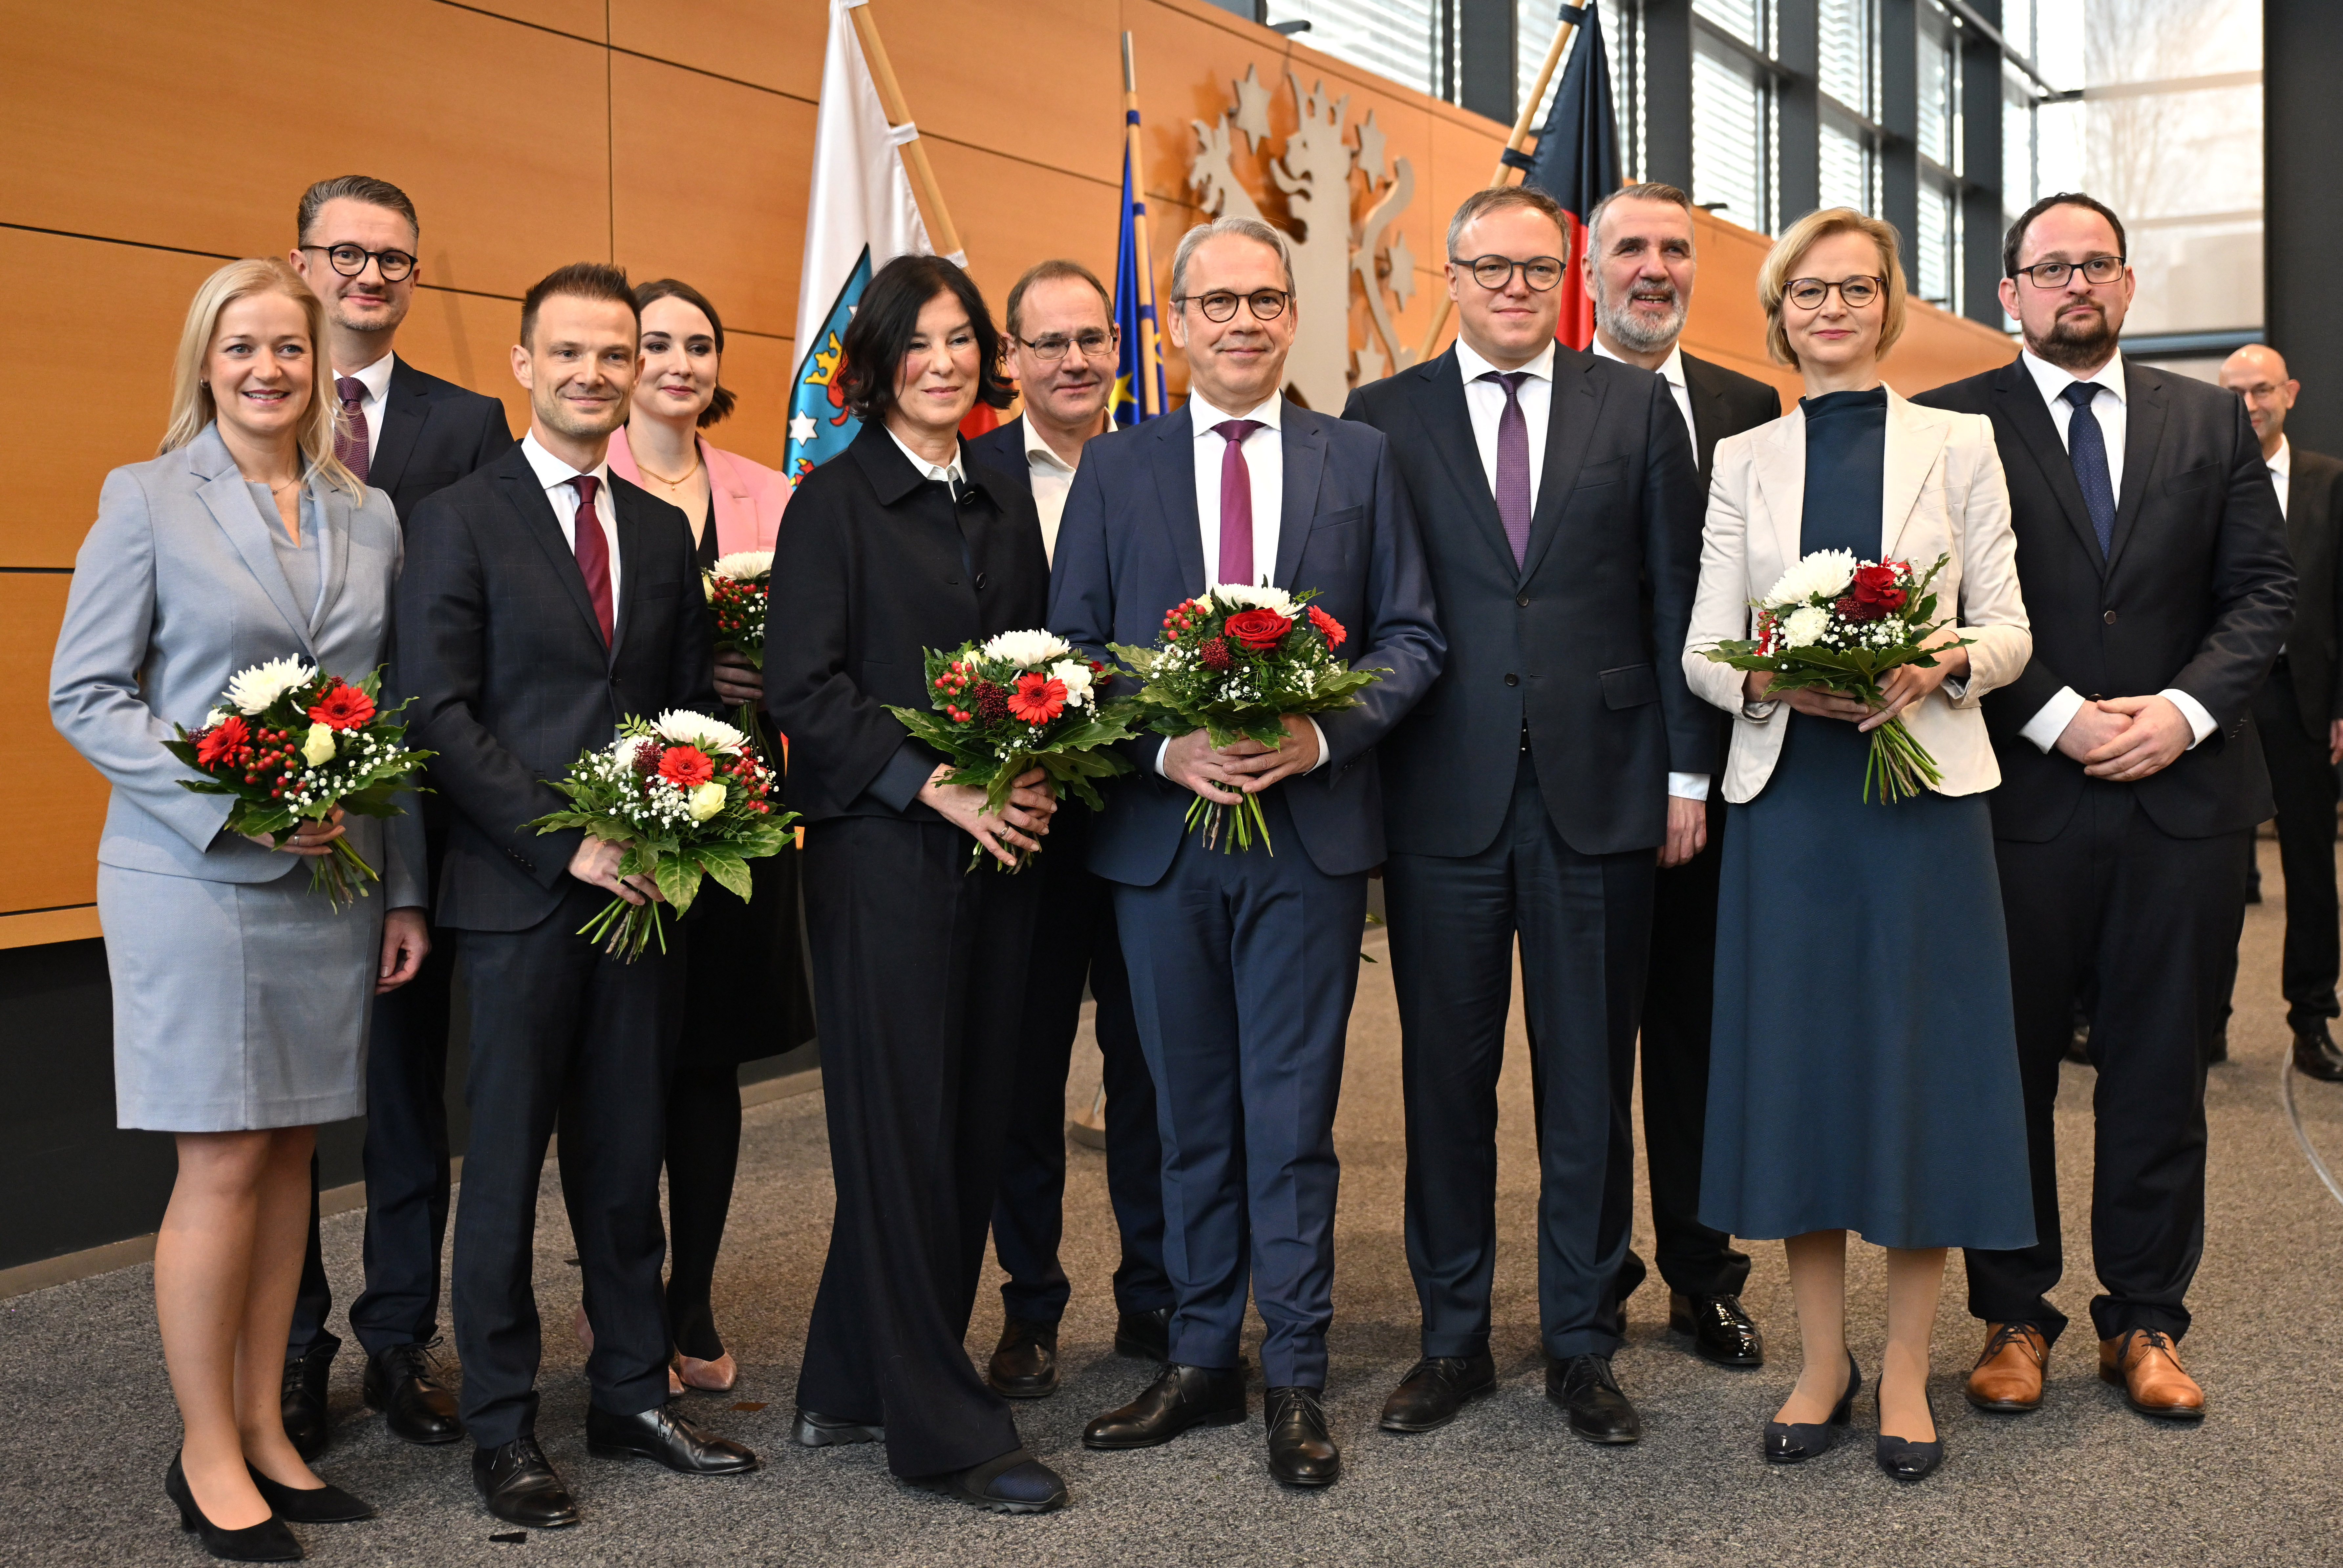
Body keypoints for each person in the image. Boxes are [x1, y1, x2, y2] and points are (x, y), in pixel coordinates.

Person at [49, 256, 429, 1558]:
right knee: (218, 1159)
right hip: (192, 878)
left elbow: (384, 717)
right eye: (243, 346)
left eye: (291, 347)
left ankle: (271, 1429)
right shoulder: (146, 497)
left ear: (323, 366)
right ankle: (206, 1447)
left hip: (334, 883)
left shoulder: (366, 512)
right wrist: (236, 801)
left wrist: (404, 887)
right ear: (205, 363)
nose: (270, 367)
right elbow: (87, 692)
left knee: (290, 1159)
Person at [1057, 215, 1444, 1487]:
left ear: (1294, 319)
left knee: (1291, 1117)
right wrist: (1165, 753)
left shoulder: (1362, 459)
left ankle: (1296, 1375)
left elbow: (1410, 639)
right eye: (1214, 303)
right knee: (1184, 1114)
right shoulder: (1117, 469)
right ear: (1173, 325)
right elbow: (1075, 656)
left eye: (1265, 300)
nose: (1240, 322)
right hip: (1162, 841)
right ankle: (1200, 1355)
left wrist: (1317, 734)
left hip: (1307, 841)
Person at [1915, 194, 2293, 1423]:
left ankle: (2146, 1318)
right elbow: (1939, 599)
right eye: (2049, 267)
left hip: (2180, 798)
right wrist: (2053, 713)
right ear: (2008, 291)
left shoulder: (2208, 421)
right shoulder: (1954, 423)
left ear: (2128, 287)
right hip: (2016, 793)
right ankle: (2014, 1314)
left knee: (2158, 1068)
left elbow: (2263, 595)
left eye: (2097, 265)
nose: (2075, 284)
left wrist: (2180, 713)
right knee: (2005, 1069)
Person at [1340, 185, 1705, 1444]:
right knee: (1447, 1082)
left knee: (1588, 1089)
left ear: (1567, 279)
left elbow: (1673, 600)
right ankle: (1452, 1342)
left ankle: (1582, 1341)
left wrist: (1685, 776)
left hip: (1603, 795)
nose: (1511, 286)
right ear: (1448, 275)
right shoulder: (1381, 419)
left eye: (1535, 268)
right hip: (1442, 797)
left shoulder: (1636, 407)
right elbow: (1373, 609)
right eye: (1487, 265)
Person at [395, 262, 754, 1529]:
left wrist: (690, 812)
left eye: (619, 353)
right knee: (501, 1171)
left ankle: (626, 1390)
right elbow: (436, 709)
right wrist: (567, 847)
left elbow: (686, 704)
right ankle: (501, 1426)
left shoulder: (660, 529)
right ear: (523, 364)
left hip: (644, 898)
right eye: (573, 354)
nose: (597, 374)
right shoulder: (458, 515)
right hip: (516, 898)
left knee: (622, 1160)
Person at [1686, 208, 2035, 1482]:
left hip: (1922, 804)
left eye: (1857, 288)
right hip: (1794, 811)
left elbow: (2008, 630)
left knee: (1917, 1082)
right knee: (1808, 1084)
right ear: (1777, 312)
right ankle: (1822, 1359)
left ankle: (1901, 1370)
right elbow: (1703, 650)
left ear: (1889, 305)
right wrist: (1784, 682)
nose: (1831, 309)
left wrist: (1938, 660)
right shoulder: (1745, 457)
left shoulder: (1963, 440)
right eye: (1807, 291)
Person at [765, 254, 1069, 1515]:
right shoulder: (833, 503)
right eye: (918, 344)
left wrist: (1038, 770)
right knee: (897, 1137)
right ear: (877, 362)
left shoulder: (999, 499)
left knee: (965, 1127)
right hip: (884, 858)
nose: (944, 363)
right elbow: (805, 690)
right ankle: (942, 1429)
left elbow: (1041, 666)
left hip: (1004, 862)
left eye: (961, 341)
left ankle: (847, 1378)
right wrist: (932, 785)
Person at [278, 173, 514, 1462]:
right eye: (348, 254)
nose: (371, 277)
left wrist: (416, 866)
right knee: (275, 1125)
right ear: (301, 262)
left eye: (395, 260)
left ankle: (395, 1340)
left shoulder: (468, 424)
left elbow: (464, 637)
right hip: (266, 829)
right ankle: (293, 1351)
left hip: (412, 829)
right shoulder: (251, 397)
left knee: (406, 1102)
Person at [1582, 180, 1783, 1373]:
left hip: (1731, 771)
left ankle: (1703, 1275)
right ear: (1592, 267)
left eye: (1674, 249)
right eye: (1631, 249)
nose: (1653, 269)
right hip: (1595, 779)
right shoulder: (1555, 400)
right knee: (1594, 1040)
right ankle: (1596, 1272)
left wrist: (1700, 771)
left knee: (1701, 1041)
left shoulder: (1747, 404)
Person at [602, 277, 815, 1394]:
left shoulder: (769, 494)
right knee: (626, 1069)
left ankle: (693, 1301)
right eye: (654, 343)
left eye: (698, 344)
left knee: (708, 1067)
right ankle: (627, 1309)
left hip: (742, 814)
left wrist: (770, 678)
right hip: (619, 824)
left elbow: (823, 649)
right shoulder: (589, 485)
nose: (677, 362)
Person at [965, 259, 1172, 1398]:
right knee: (1022, 1074)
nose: (1076, 361)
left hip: (1148, 813)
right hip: (1025, 827)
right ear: (1010, 358)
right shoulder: (970, 469)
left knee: (1151, 1073)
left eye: (1094, 338)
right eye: (1048, 343)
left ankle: (1155, 1296)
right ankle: (1030, 1307)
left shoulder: (1161, 460)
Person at [2215, 345, 2343, 1082]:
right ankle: (2208, 1023)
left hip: (2303, 702)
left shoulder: (2329, 483)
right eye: (2233, 392)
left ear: (2289, 392)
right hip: (2222, 703)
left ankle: (2312, 1020)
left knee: (2309, 869)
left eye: (2261, 389)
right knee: (2215, 871)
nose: (2249, 404)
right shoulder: (2200, 479)